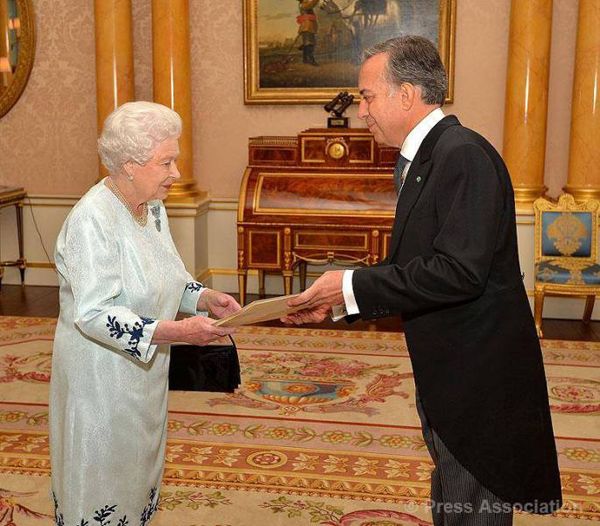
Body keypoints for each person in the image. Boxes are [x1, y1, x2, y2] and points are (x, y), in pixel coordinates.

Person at [284, 36, 562, 525]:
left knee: (472, 506)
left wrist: (347, 286)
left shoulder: (462, 155)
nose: (361, 111)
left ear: (406, 94)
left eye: (368, 96)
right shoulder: (428, 156)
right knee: (453, 498)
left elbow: (458, 272)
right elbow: (415, 266)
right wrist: (342, 299)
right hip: (451, 367)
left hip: (478, 377)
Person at [49, 101, 241, 525]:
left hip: (145, 372)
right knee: (100, 477)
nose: (176, 172)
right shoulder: (91, 220)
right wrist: (178, 331)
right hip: (98, 378)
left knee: (138, 470)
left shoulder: (152, 208)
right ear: (130, 165)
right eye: (167, 162)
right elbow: (94, 313)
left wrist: (203, 297)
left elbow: (168, 277)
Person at [297, 0, 319, 66]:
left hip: (307, 26)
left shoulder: (303, 4)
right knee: (310, 43)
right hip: (307, 26)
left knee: (306, 44)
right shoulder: (304, 4)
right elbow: (312, 3)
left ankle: (305, 60)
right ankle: (311, 60)